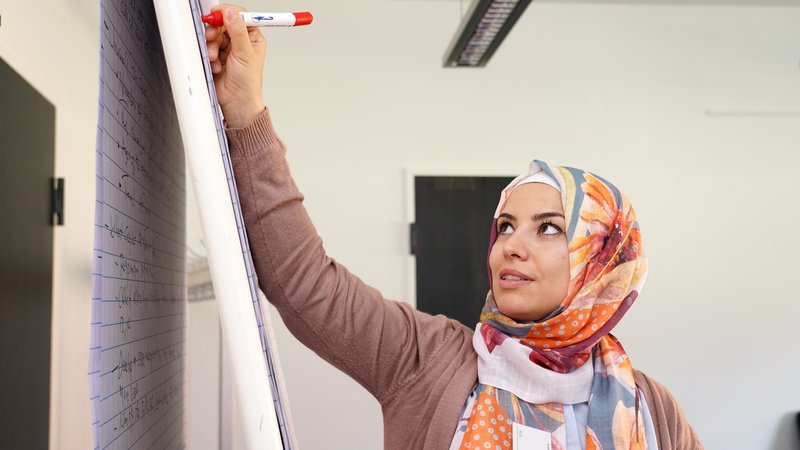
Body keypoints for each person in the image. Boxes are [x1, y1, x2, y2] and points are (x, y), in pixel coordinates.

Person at [205, 5, 703, 449]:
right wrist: (246, 114)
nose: (511, 246)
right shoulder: (425, 360)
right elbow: (302, 281)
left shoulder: (653, 412)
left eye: (549, 229)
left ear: (604, 265)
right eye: (505, 227)